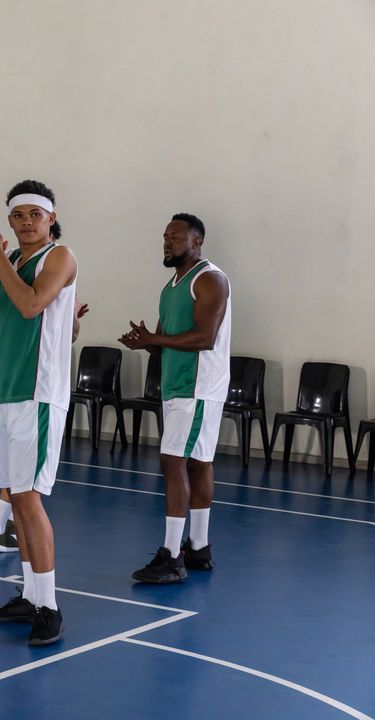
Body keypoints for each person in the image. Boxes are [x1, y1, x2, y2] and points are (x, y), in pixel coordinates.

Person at [0, 180, 78, 646]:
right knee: (18, 497)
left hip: (38, 394)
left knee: (28, 500)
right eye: (18, 215)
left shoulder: (60, 256)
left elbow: (30, 306)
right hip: (4, 393)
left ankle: (49, 606)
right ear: (9, 220)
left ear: (51, 218)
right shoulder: (9, 260)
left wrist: (0, 261)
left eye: (35, 214)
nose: (26, 222)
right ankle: (29, 596)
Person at [118, 213, 231, 583]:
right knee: (197, 462)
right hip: (180, 386)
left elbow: (205, 338)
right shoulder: (171, 287)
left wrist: (156, 339)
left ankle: (171, 556)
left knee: (173, 462)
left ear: (196, 241)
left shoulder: (209, 278)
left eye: (176, 236)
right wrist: (146, 342)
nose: (167, 242)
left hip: (197, 387)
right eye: (165, 236)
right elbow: (167, 344)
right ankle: (198, 547)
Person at [0, 298, 88, 553]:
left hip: (11, 390)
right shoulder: (24, 292)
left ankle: (1, 527)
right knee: (24, 483)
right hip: (27, 390)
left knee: (19, 478)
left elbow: (69, 334)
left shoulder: (41, 287)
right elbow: (64, 332)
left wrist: (70, 314)